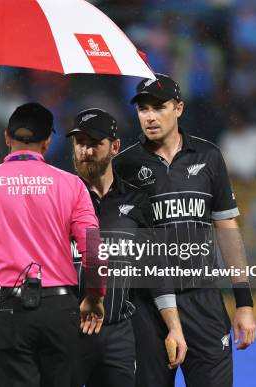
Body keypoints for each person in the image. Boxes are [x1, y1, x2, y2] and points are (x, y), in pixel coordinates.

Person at [0, 102, 106, 387]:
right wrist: (95, 297)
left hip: (5, 310)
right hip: (58, 308)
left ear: (7, 137)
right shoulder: (72, 185)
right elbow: (93, 251)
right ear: (48, 142)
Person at [114, 74, 256, 387]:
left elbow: (226, 228)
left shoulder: (208, 157)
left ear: (178, 108)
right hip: (147, 305)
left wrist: (244, 303)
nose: (149, 116)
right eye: (142, 109)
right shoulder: (124, 165)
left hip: (202, 299)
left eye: (158, 107)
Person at [67, 108, 187, 387]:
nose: (85, 150)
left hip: (118, 333)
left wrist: (174, 327)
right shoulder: (60, 198)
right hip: (68, 332)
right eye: (79, 142)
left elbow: (155, 270)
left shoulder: (136, 201)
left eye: (94, 142)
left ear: (115, 146)